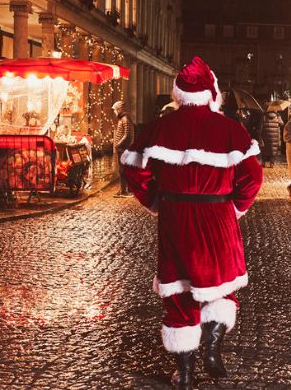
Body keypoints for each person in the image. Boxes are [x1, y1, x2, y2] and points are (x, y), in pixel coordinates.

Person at [120, 57, 263, 388]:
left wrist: (157, 201)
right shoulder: (230, 129)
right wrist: (235, 208)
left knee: (179, 291)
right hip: (218, 216)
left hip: (176, 218)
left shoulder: (160, 127)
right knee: (221, 283)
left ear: (179, 94)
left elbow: (134, 170)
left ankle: (184, 373)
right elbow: (253, 177)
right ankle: (212, 344)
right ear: (211, 93)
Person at [112, 100, 134, 197]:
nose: (114, 112)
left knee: (123, 170)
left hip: (123, 149)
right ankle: (123, 190)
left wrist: (118, 144)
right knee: (122, 170)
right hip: (122, 149)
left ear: (119, 109)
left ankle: (125, 191)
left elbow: (127, 135)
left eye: (115, 110)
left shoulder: (125, 119)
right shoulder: (123, 119)